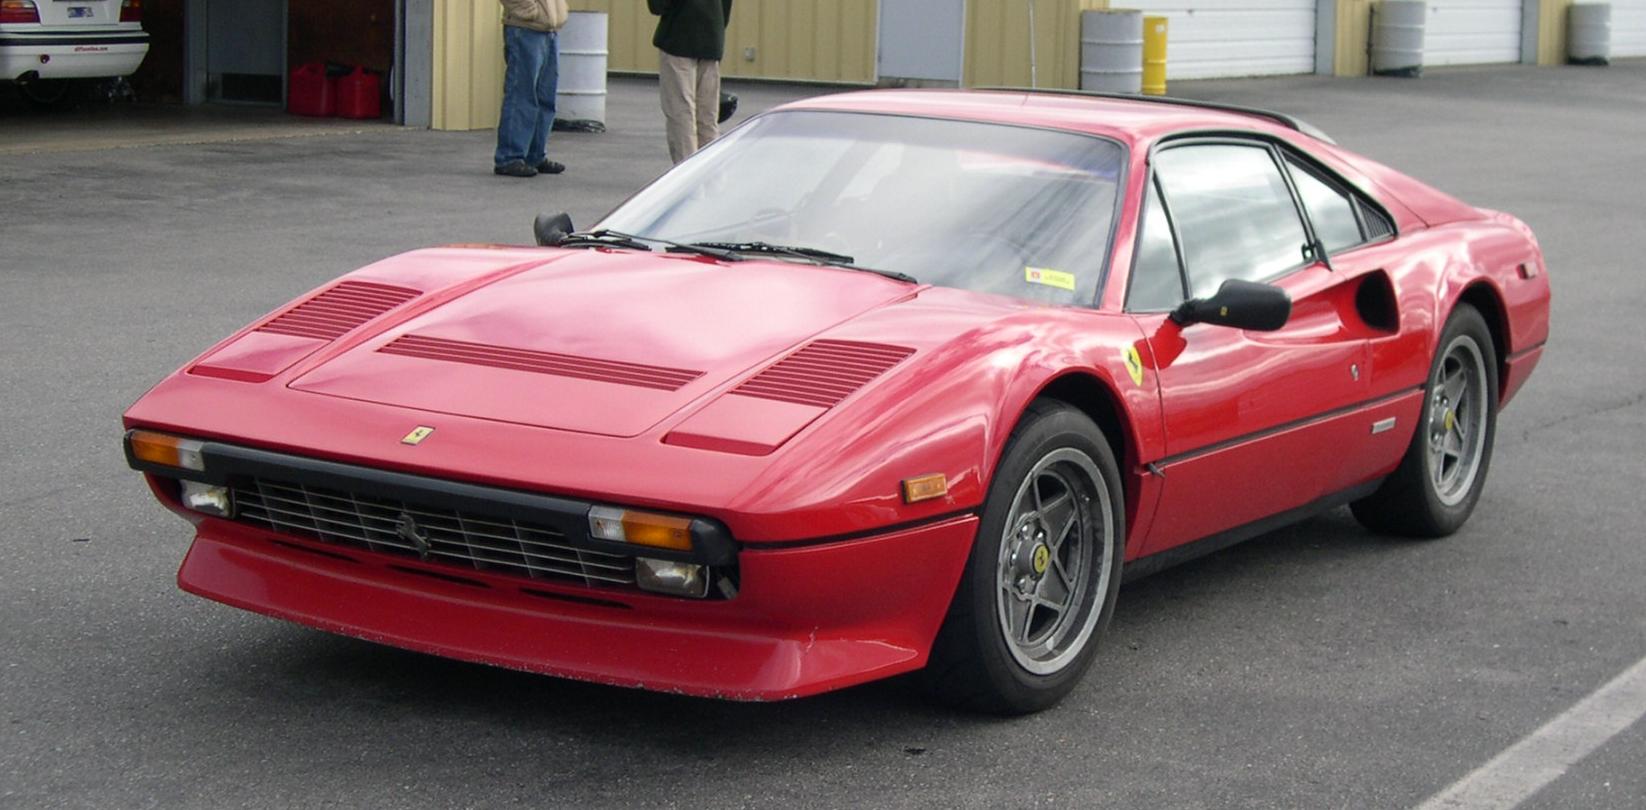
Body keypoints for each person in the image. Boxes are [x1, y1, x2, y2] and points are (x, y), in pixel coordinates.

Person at [649, 0, 733, 164]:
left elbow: (657, 6)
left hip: (679, 39)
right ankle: (710, 177)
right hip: (712, 38)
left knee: (681, 113)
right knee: (708, 117)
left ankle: (686, 174)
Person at [495, 0, 570, 178]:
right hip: (525, 28)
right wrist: (530, 11)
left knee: (545, 98)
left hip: (548, 30)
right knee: (521, 94)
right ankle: (510, 157)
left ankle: (535, 155)